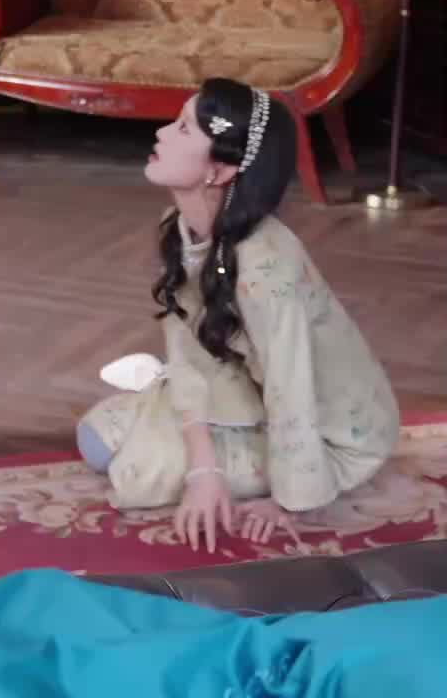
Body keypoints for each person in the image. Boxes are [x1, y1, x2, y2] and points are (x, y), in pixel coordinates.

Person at [76, 79, 400, 549]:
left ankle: (279, 470)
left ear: (221, 169)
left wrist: (289, 501)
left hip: (334, 433)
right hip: (247, 383)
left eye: (183, 129)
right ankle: (210, 443)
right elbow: (188, 351)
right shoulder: (178, 228)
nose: (161, 133)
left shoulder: (266, 270)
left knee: (133, 467)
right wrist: (204, 470)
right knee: (95, 437)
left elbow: (292, 387)